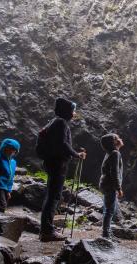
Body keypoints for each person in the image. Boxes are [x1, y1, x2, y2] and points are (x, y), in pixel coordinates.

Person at [39, 97, 87, 242]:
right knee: (53, 197)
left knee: (51, 195)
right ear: (67, 111)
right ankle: (47, 231)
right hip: (57, 164)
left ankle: (46, 228)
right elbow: (63, 144)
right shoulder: (61, 123)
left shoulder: (54, 122)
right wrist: (76, 154)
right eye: (72, 110)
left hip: (51, 163)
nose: (74, 114)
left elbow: (61, 144)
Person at [99, 133, 124, 239]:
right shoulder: (115, 153)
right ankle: (106, 235)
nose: (120, 139)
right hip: (110, 185)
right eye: (116, 138)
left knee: (108, 209)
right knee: (109, 211)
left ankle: (107, 232)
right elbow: (114, 172)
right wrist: (118, 188)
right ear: (113, 142)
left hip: (104, 184)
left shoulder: (110, 153)